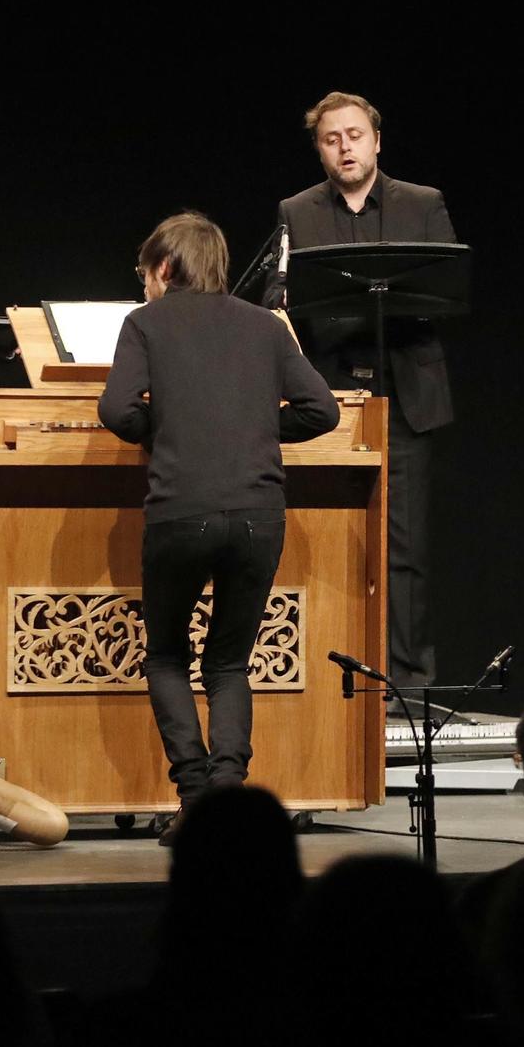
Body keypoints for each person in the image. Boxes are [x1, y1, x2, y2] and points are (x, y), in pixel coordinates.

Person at [99, 213, 338, 842]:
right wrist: (256, 428)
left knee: (167, 656)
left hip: (182, 509)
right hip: (260, 513)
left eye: (145, 273)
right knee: (230, 663)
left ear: (167, 269)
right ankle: (229, 801)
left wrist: (170, 428)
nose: (144, 286)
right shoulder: (264, 325)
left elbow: (116, 410)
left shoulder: (144, 323)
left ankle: (197, 798)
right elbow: (323, 409)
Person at [266, 91, 455, 695]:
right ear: (320, 149)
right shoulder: (297, 211)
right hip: (329, 397)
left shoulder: (423, 203)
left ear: (376, 140)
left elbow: (446, 291)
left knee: (407, 548)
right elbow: (279, 294)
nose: (344, 147)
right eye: (331, 139)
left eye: (354, 135)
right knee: (325, 541)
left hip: (404, 396)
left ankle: (411, 683)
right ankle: (331, 684)